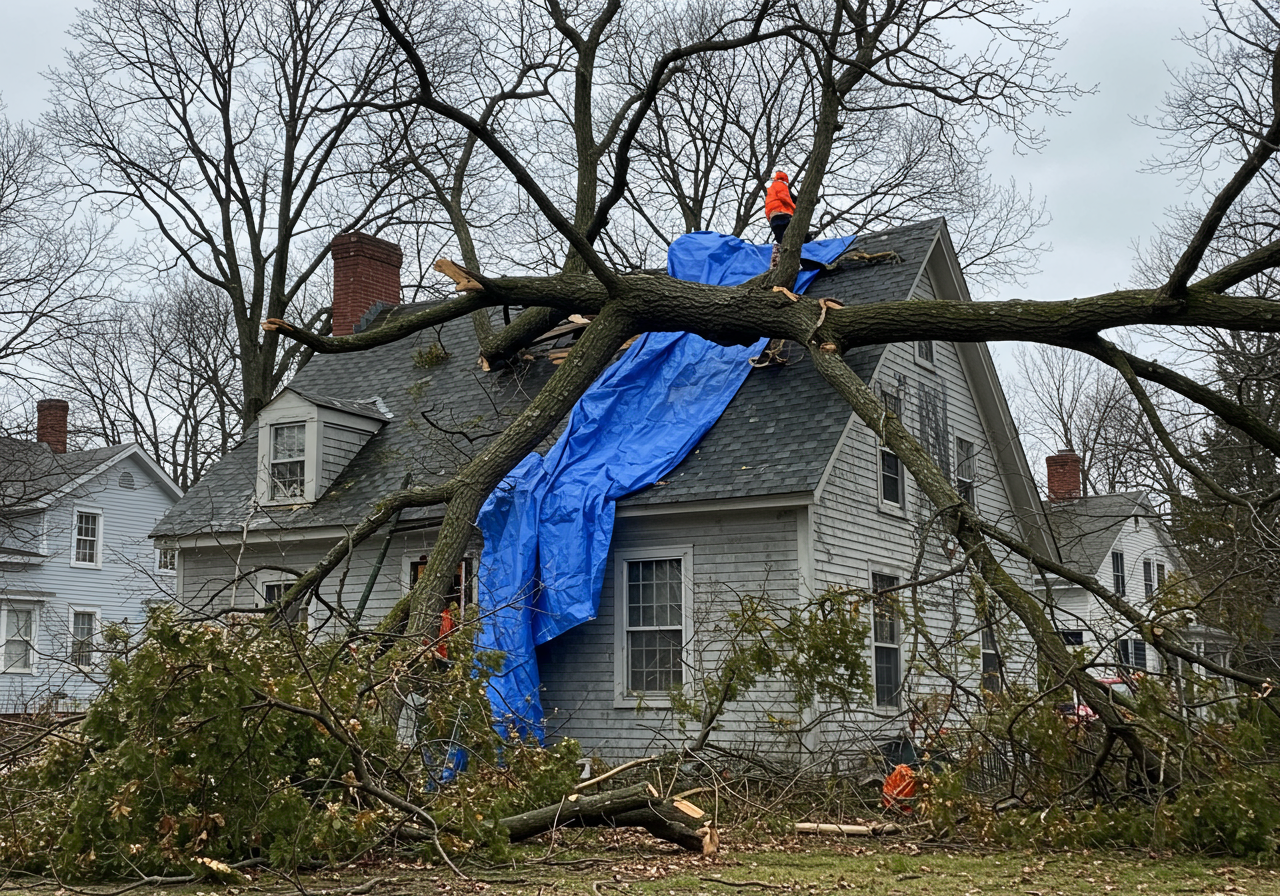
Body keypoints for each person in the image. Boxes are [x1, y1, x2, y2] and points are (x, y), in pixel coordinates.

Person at [765, 170, 796, 243]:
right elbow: (783, 197)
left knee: (781, 240)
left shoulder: (770, 191)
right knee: (798, 236)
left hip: (773, 217)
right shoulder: (780, 184)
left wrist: (770, 219)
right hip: (782, 213)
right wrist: (795, 209)